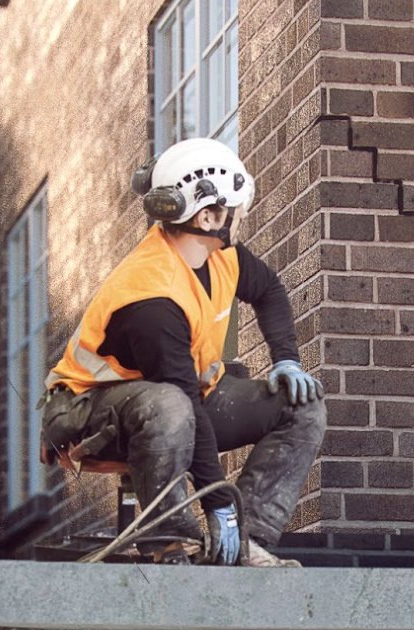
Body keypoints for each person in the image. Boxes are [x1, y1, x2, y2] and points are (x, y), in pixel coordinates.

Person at [38, 137, 325, 567]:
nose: (239, 219)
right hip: (87, 414)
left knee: (301, 404)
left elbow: (269, 290)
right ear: (208, 215)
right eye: (234, 210)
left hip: (173, 404)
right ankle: (172, 543)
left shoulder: (221, 256)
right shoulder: (151, 298)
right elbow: (181, 399)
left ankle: (248, 543)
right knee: (171, 405)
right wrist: (220, 503)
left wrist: (286, 359)